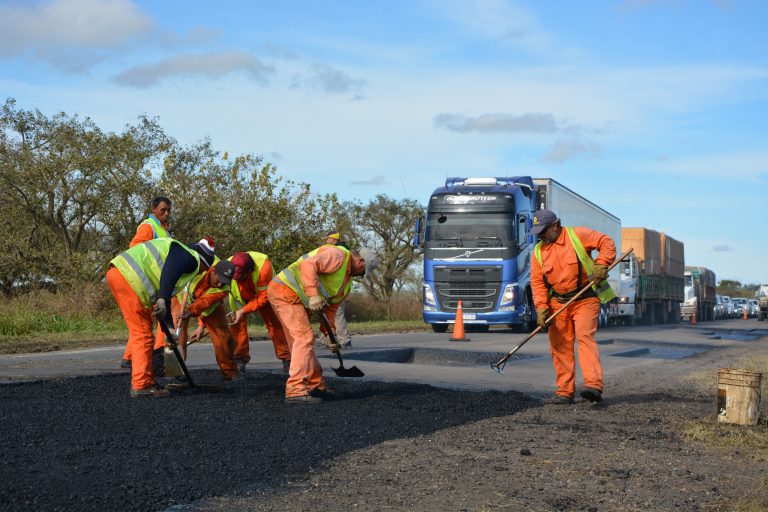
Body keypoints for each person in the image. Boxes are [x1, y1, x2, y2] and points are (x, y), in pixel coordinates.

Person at [106, 236, 219, 398]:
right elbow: (169, 273)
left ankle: (145, 380)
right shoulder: (190, 257)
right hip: (129, 278)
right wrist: (162, 297)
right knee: (143, 335)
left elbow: (165, 293)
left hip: (118, 273)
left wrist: (170, 330)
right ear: (203, 262)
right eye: (203, 269)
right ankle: (141, 385)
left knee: (142, 330)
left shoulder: (178, 253)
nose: (201, 272)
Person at [267, 245, 377, 404]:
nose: (361, 276)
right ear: (360, 261)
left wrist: (329, 335)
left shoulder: (346, 284)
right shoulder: (337, 255)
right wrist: (313, 294)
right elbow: (308, 265)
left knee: (303, 342)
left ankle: (315, 385)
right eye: (363, 271)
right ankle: (295, 389)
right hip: (284, 290)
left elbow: (331, 309)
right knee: (304, 338)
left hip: (295, 297)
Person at [529, 209, 616, 405]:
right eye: (538, 233)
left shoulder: (578, 235)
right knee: (560, 345)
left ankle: (594, 386)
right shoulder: (538, 252)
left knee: (585, 337)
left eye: (543, 231)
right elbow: (537, 283)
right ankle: (565, 392)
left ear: (554, 226)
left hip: (585, 297)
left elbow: (606, 242)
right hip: (558, 302)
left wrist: (602, 264)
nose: (541, 236)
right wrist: (542, 308)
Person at [121, 196, 174, 368]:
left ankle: (129, 358)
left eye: (168, 210)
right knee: (152, 320)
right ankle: (154, 353)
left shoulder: (163, 230)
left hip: (155, 281)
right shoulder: (148, 226)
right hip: (147, 282)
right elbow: (135, 248)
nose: (166, 213)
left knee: (145, 323)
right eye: (162, 210)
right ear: (153, 210)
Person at [176, 257, 239, 380]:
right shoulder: (202, 262)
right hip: (180, 296)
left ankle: (229, 371)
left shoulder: (223, 289)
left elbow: (206, 302)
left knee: (222, 334)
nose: (221, 284)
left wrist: (199, 323)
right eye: (220, 279)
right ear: (213, 271)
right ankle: (177, 371)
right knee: (177, 335)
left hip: (202, 304)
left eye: (225, 281)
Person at [227, 251, 290, 374]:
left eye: (241, 276)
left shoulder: (264, 268)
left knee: (274, 323)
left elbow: (263, 297)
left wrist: (244, 310)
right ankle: (240, 357)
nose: (238, 279)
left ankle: (287, 357)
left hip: (265, 294)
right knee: (237, 324)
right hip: (238, 296)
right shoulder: (227, 266)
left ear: (249, 270)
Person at [317, 230, 352, 348]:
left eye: (327, 239)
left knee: (338, 315)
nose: (326, 241)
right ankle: (324, 339)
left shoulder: (340, 253)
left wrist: (347, 293)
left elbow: (349, 274)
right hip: (331, 290)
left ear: (333, 239)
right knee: (327, 314)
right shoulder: (337, 252)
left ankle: (344, 340)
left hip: (337, 290)